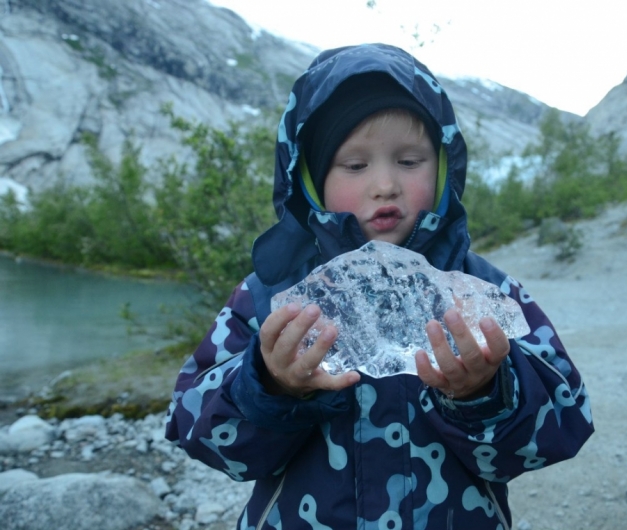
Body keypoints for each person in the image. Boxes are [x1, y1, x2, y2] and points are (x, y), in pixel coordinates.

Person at [165, 43, 594, 530]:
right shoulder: (269, 296)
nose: (385, 184)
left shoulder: (483, 291)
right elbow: (195, 432)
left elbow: (565, 424)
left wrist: (485, 391)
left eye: (410, 161)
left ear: (444, 169)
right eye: (355, 165)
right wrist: (270, 384)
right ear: (310, 179)